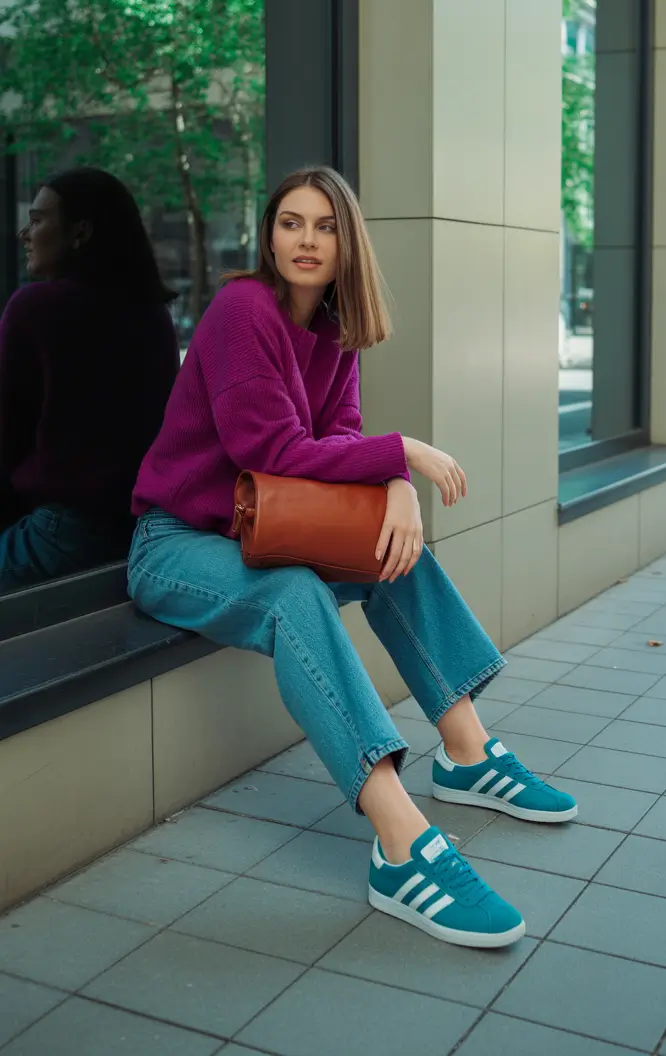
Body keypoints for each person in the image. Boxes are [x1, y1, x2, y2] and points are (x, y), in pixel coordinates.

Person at [129, 166, 577, 950]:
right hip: (175, 543)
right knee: (293, 594)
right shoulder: (242, 310)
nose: (306, 240)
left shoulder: (334, 329)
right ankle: (400, 840)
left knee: (393, 550)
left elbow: (339, 439)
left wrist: (395, 484)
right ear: (269, 234)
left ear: (348, 243)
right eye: (291, 223)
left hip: (260, 532)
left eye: (326, 226)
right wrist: (400, 454)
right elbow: (266, 449)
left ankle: (467, 753)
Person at [0, 166, 180, 593]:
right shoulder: (153, 316)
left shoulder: (36, 307)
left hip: (61, 536)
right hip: (140, 534)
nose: (25, 233)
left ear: (80, 233)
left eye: (39, 219)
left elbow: (5, 436)